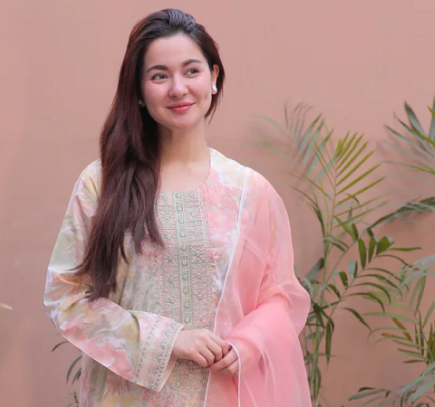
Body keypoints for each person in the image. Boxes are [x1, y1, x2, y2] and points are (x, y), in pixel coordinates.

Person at [44, 8, 312, 407]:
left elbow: (281, 296)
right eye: (159, 76)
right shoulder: (101, 185)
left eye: (191, 71)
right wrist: (169, 340)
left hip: (222, 393)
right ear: (138, 91)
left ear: (214, 78)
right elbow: (65, 297)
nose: (178, 88)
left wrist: (248, 344)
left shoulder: (248, 192)